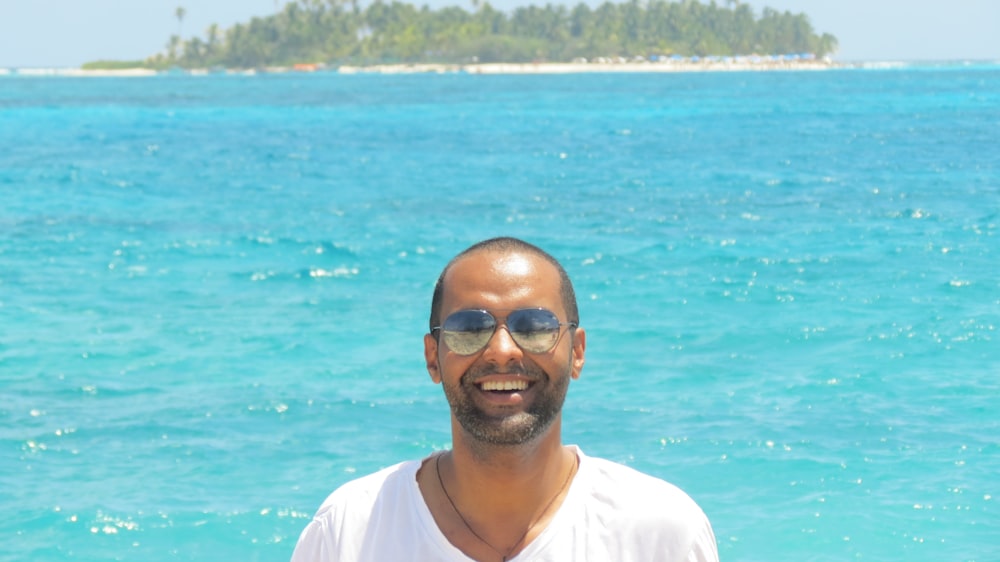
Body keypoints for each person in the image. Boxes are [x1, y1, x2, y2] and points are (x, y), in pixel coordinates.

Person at [291, 237, 718, 562]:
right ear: (432, 357)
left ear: (578, 352)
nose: (502, 350)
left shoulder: (660, 532)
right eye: (468, 328)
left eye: (535, 326)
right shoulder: (352, 530)